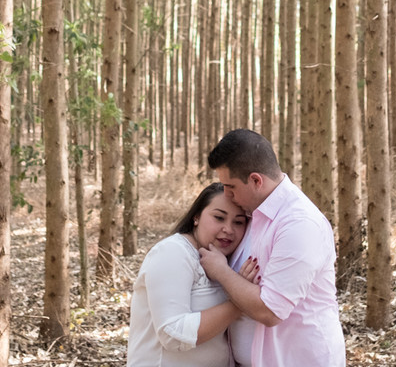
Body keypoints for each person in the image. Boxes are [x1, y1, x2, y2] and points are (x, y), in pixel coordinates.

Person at [197, 129, 346, 367]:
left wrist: (221, 271)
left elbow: (270, 311)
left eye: (230, 186)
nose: (226, 193)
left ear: (256, 180)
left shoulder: (299, 224)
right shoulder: (253, 215)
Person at [127, 182, 251, 367]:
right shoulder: (172, 252)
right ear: (196, 217)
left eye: (238, 222)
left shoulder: (227, 261)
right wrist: (242, 302)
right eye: (219, 218)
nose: (228, 229)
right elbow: (172, 334)